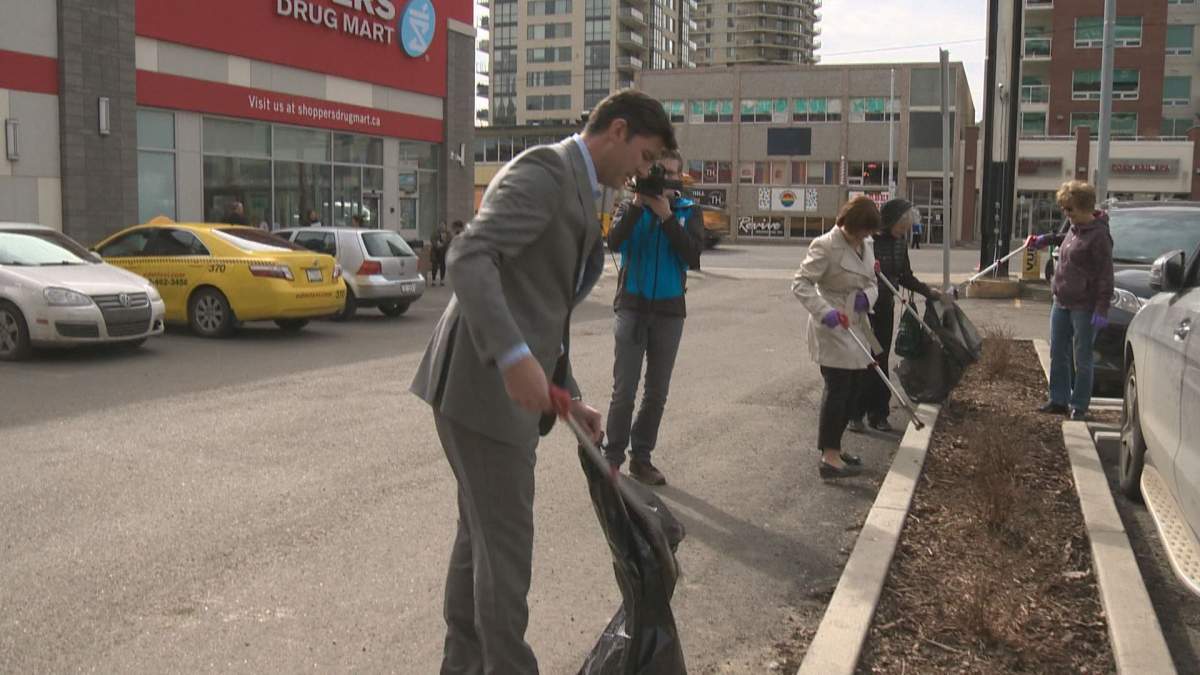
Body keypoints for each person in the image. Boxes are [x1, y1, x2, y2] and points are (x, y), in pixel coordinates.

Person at [409, 89, 676, 674]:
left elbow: (540, 304)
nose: (643, 170)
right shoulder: (547, 169)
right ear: (618, 131)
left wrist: (567, 394)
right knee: (505, 555)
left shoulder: (582, 187)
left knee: (479, 541)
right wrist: (511, 358)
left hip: (493, 390)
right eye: (645, 154)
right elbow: (469, 257)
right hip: (481, 389)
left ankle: (463, 665)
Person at [602, 150, 704, 486]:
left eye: (674, 173)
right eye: (662, 172)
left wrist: (667, 218)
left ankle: (641, 458)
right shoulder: (630, 206)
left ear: (681, 177)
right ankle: (612, 459)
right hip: (632, 306)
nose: (666, 179)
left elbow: (692, 256)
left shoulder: (689, 212)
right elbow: (614, 241)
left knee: (656, 392)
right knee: (624, 391)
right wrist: (636, 206)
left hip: (669, 311)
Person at [791, 196, 883, 479]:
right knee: (838, 390)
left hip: (856, 323)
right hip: (832, 326)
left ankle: (836, 447)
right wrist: (825, 312)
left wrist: (866, 298)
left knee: (853, 389)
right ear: (850, 223)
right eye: (862, 231)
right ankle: (829, 457)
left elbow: (872, 282)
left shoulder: (866, 246)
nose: (865, 236)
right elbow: (800, 283)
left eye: (869, 232)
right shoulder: (825, 246)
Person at [849, 198, 941, 433]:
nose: (906, 229)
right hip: (864, 311)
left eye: (908, 225)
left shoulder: (900, 242)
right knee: (865, 359)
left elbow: (905, 275)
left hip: (885, 309)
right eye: (903, 224)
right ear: (890, 220)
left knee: (880, 358)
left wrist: (928, 291)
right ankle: (856, 412)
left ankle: (878, 413)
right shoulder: (868, 241)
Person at [1025, 180, 1113, 421]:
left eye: (1070, 209)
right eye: (1064, 209)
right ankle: (1058, 399)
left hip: (1084, 306)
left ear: (1085, 208)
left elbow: (1105, 276)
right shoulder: (1075, 230)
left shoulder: (1099, 237)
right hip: (1061, 301)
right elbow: (1065, 237)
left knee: (1082, 358)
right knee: (1058, 352)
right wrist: (1045, 239)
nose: (1066, 214)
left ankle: (1080, 405)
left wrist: (1102, 308)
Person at [428, 221, 450, 287]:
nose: (442, 226)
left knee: (443, 266)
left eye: (443, 225)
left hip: (443, 251)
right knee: (434, 266)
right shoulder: (435, 232)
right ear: (439, 225)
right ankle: (433, 280)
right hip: (435, 251)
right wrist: (437, 245)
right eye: (441, 225)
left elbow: (450, 240)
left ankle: (442, 280)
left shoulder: (448, 233)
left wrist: (444, 243)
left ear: (445, 226)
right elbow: (432, 239)